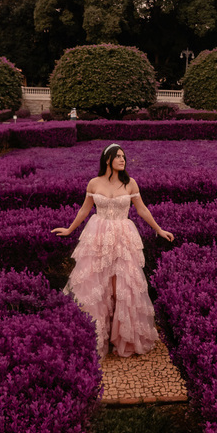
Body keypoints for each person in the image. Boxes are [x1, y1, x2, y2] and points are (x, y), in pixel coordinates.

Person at [52, 143, 174, 357]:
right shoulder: (94, 183)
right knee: (96, 285)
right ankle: (97, 337)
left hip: (123, 237)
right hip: (97, 236)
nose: (122, 159)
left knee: (122, 288)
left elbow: (142, 209)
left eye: (123, 156)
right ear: (107, 159)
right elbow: (84, 209)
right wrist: (70, 229)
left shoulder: (130, 183)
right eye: (117, 156)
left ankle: (122, 338)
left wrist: (159, 229)